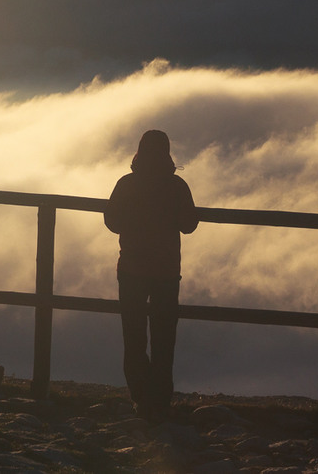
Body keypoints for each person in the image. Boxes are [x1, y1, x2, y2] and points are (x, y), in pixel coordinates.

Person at [104, 129, 198, 420]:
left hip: (131, 269)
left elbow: (112, 222)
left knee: (133, 337)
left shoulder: (127, 184)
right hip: (166, 272)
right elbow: (189, 225)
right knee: (163, 338)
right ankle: (159, 400)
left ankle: (141, 396)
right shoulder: (177, 186)